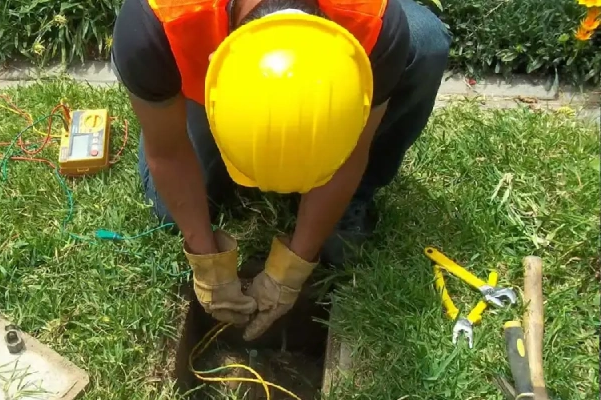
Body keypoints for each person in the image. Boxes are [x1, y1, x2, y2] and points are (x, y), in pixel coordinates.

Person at [110, 0, 451, 341]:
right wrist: (207, 263)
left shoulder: (373, 27)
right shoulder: (154, 20)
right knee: (172, 211)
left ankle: (353, 199)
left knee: (425, 41)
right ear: (216, 63)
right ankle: (179, 105)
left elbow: (351, 153)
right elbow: (168, 153)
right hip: (191, 71)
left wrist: (294, 267)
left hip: (350, 61)